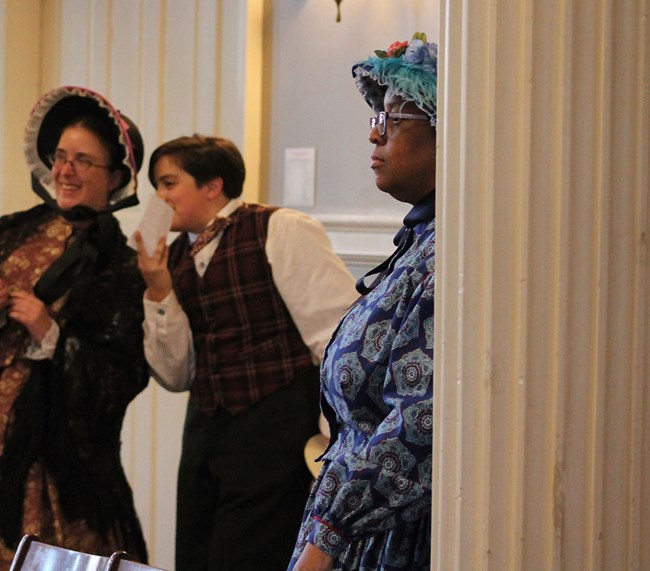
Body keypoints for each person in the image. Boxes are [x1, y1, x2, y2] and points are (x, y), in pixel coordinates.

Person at [134, 134, 358, 571]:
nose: (159, 197)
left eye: (168, 183)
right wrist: (158, 286)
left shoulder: (280, 228)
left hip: (276, 430)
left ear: (212, 186)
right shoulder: (170, 257)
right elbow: (176, 374)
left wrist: (333, 433)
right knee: (197, 555)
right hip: (205, 435)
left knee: (253, 558)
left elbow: (338, 335)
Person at [288, 32, 437, 571]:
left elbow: (423, 420)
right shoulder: (422, 242)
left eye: (394, 119)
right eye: (375, 118)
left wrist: (329, 535)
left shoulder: (455, 254)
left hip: (396, 538)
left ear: (447, 133)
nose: (375, 134)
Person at [0, 86, 149, 568]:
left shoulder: (120, 268)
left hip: (53, 472)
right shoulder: (10, 233)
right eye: (61, 157)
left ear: (116, 177)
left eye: (83, 161)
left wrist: (50, 334)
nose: (65, 171)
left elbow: (119, 377)